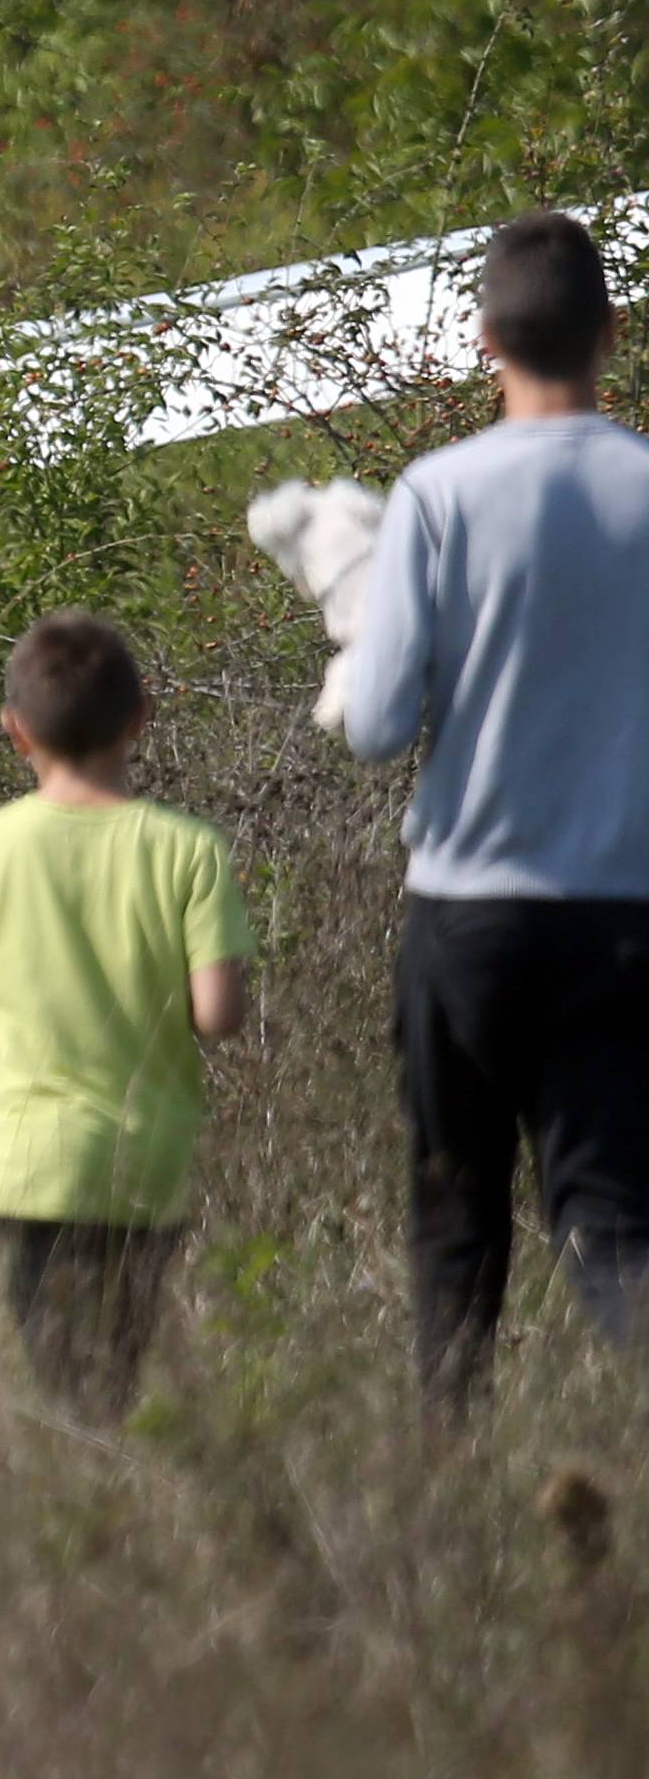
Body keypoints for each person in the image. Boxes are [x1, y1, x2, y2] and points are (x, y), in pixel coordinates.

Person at [343, 209, 649, 1414]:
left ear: (484, 338)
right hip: (623, 913)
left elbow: (376, 726)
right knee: (619, 1222)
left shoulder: (437, 492)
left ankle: (448, 1487)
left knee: (456, 1217)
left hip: (468, 912)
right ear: (611, 334)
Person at [0, 611, 252, 1420]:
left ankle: (80, 1508)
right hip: (146, 1162)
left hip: (29, 1166)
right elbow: (218, 1014)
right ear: (139, 719)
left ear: (14, 730)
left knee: (56, 1385)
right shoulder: (189, 850)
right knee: (118, 1371)